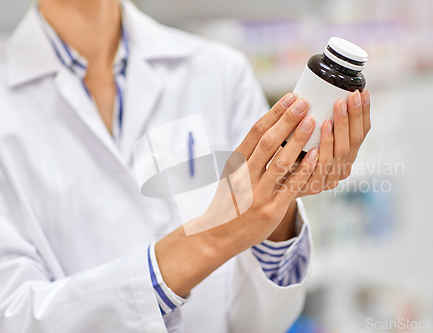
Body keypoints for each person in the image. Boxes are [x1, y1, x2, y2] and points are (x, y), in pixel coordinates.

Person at [0, 0, 371, 332]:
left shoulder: (220, 72)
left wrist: (282, 194)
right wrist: (210, 240)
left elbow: (259, 323)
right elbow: (13, 316)